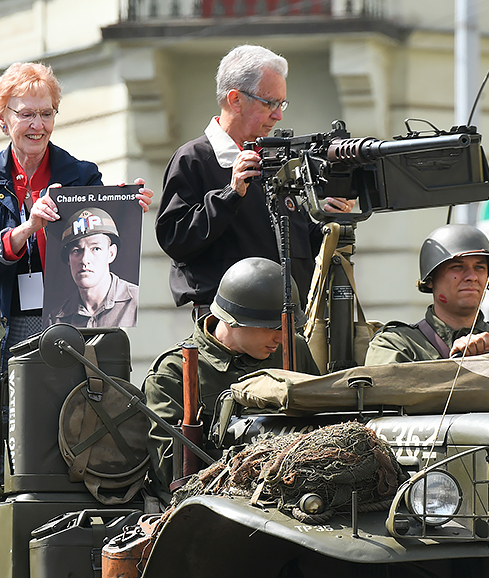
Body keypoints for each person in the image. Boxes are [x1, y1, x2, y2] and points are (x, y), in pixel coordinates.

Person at [0, 61, 153, 373]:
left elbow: (101, 246)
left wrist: (123, 206)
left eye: (46, 113)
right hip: (4, 323)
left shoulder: (82, 174)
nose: (38, 125)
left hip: (71, 322)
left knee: (67, 415)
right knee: (7, 417)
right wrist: (28, 227)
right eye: (26, 114)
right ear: (2, 119)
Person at [155, 44, 354, 320]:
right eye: (269, 103)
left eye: (281, 104)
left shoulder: (274, 159)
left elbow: (297, 248)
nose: (278, 115)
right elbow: (174, 239)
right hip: (231, 328)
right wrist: (230, 194)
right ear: (235, 99)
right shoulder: (194, 158)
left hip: (293, 323)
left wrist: (328, 220)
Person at [144, 257, 321, 488]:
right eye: (271, 327)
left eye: (286, 326)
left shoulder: (292, 349)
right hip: (208, 506)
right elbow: (170, 470)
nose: (280, 337)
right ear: (233, 320)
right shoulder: (173, 372)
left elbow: (323, 423)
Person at [363, 224, 489, 364]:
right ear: (431, 279)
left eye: (480, 267)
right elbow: (383, 395)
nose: (472, 277)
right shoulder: (397, 345)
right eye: (457, 267)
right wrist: (457, 368)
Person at [46, 208, 139, 328]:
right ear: (68, 259)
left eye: (96, 249)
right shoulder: (56, 318)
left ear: (111, 253)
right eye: (76, 251)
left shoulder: (137, 302)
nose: (85, 260)